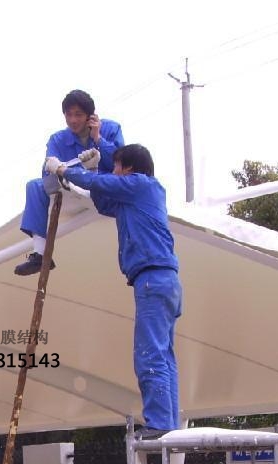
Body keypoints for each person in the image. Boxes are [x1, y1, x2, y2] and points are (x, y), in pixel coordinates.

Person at [50, 144, 181, 438]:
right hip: (164, 280)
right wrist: (92, 170)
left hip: (152, 278)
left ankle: (159, 423)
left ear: (130, 168)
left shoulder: (142, 184)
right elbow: (103, 201)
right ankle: (168, 423)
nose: (115, 171)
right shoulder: (136, 198)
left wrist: (64, 170)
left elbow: (101, 183)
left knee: (149, 355)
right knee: (164, 355)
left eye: (118, 166)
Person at [14, 89, 125, 276]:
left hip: (102, 187)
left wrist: (98, 138)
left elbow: (121, 165)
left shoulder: (110, 129)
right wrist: (60, 170)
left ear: (90, 116)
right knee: (34, 185)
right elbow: (47, 170)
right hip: (70, 187)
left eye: (79, 115)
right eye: (69, 114)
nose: (73, 120)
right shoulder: (58, 139)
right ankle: (40, 255)